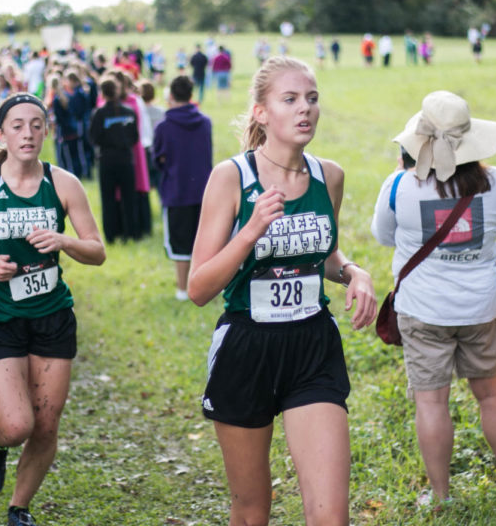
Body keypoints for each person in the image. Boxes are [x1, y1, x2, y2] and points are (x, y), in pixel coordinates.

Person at [187, 56, 377, 525]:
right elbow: (199, 287)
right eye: (289, 99)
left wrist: (355, 272)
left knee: (331, 516)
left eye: (311, 99)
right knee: (253, 511)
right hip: (247, 345)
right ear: (261, 112)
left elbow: (326, 255)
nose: (304, 109)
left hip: (312, 344)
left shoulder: (328, 175)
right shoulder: (232, 177)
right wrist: (249, 232)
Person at [0, 93, 105, 526]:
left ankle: (19, 508)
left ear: (46, 130)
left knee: (46, 426)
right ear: (1, 132)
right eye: (17, 125)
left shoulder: (64, 184)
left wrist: (64, 240)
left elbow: (97, 251)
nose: (27, 133)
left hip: (52, 316)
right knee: (17, 425)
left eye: (36, 124)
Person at [370, 90, 496, 507]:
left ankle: (440, 497)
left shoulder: (400, 185)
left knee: (431, 402)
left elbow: (383, 235)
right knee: (492, 396)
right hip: (481, 309)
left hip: (423, 311)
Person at [153, 76, 212, 301]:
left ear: (170, 96)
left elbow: (157, 159)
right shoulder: (205, 122)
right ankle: (206, 286)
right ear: (191, 94)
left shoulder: (164, 127)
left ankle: (182, 289)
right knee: (205, 240)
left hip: (176, 190)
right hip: (204, 191)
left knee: (179, 245)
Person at [89, 76, 140, 242]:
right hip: (125, 159)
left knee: (108, 199)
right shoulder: (129, 112)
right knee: (129, 197)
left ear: (102, 93)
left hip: (107, 160)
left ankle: (111, 235)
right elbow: (135, 136)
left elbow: (93, 137)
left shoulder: (99, 114)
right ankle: (131, 232)